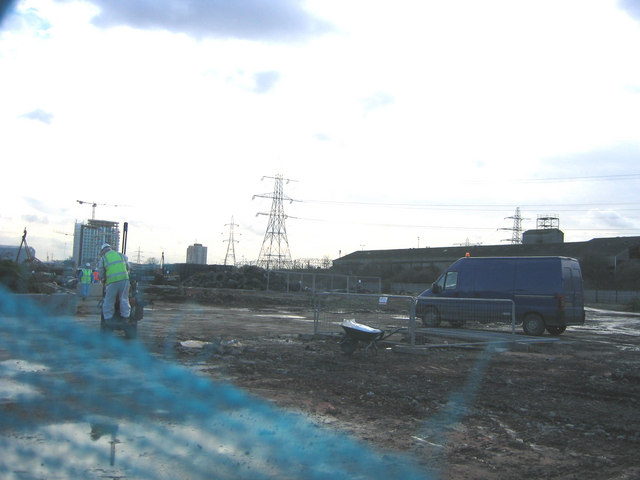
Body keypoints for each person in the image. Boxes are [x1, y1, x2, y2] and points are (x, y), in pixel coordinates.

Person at [97, 243, 131, 322]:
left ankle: (108, 318)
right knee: (124, 298)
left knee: (109, 300)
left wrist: (102, 278)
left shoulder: (104, 258)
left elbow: (101, 272)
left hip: (112, 281)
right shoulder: (121, 255)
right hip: (125, 280)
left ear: (103, 251)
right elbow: (128, 267)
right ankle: (125, 317)